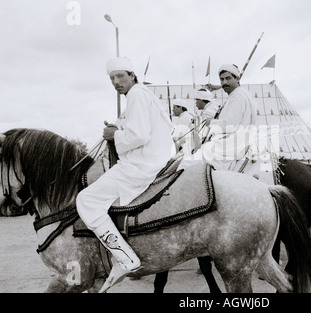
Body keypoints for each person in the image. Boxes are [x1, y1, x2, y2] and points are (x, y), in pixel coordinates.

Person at [76, 56, 175, 292]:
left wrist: (114, 136)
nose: (115, 82)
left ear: (132, 75)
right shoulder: (141, 94)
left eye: (120, 76)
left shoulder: (137, 95)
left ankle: (124, 257)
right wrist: (118, 128)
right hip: (149, 159)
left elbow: (140, 136)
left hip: (142, 164)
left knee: (86, 199)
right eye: (111, 78)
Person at [180, 64, 257, 171]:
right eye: (222, 79)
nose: (224, 82)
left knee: (185, 164)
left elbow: (228, 126)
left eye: (228, 78)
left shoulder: (237, 96)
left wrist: (210, 122)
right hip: (237, 143)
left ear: (237, 78)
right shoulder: (240, 94)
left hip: (229, 146)